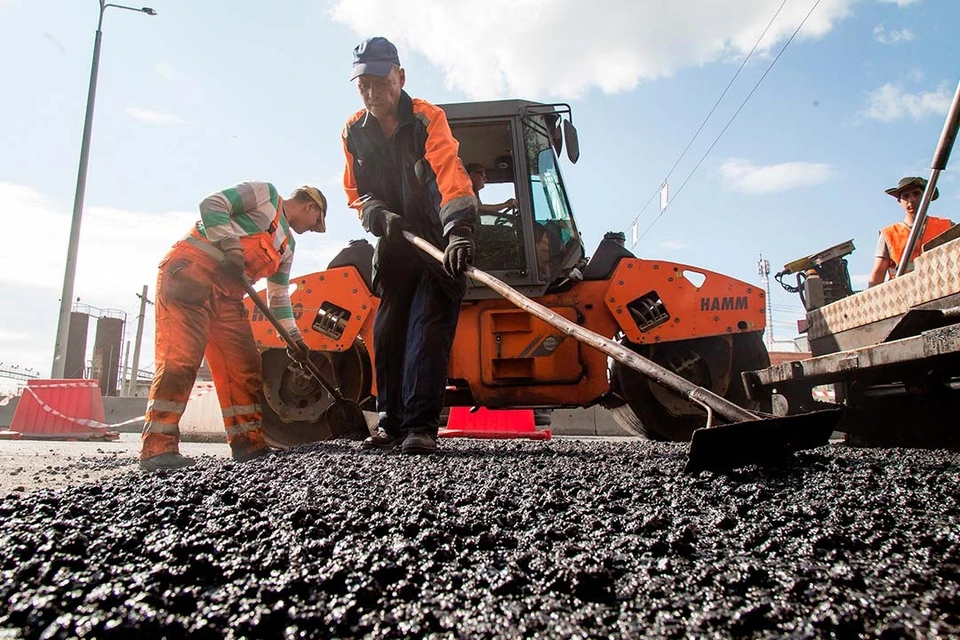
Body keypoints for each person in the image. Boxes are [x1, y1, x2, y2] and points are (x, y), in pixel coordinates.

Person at [342, 36, 477, 455]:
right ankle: (390, 425)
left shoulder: (426, 119)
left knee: (428, 329)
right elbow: (355, 192)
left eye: (380, 80)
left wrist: (459, 231)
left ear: (400, 77)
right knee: (389, 330)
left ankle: (420, 427)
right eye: (362, 83)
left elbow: (449, 173)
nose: (371, 91)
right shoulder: (352, 132)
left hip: (437, 241)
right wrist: (377, 214)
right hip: (395, 240)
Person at [140, 182, 328, 471]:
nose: (313, 229)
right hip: (191, 274)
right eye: (316, 222)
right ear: (310, 206)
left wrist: (293, 338)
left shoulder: (287, 246)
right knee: (181, 358)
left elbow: (279, 298)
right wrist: (230, 246)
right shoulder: (265, 195)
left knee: (243, 364)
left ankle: (248, 444)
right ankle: (157, 448)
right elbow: (212, 204)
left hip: (227, 295)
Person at [868, 176, 953, 287]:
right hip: (905, 296)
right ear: (899, 201)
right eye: (906, 196)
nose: (911, 199)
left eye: (916, 194)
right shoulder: (888, 234)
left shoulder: (947, 226)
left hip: (943, 290)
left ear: (926, 197)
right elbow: (878, 273)